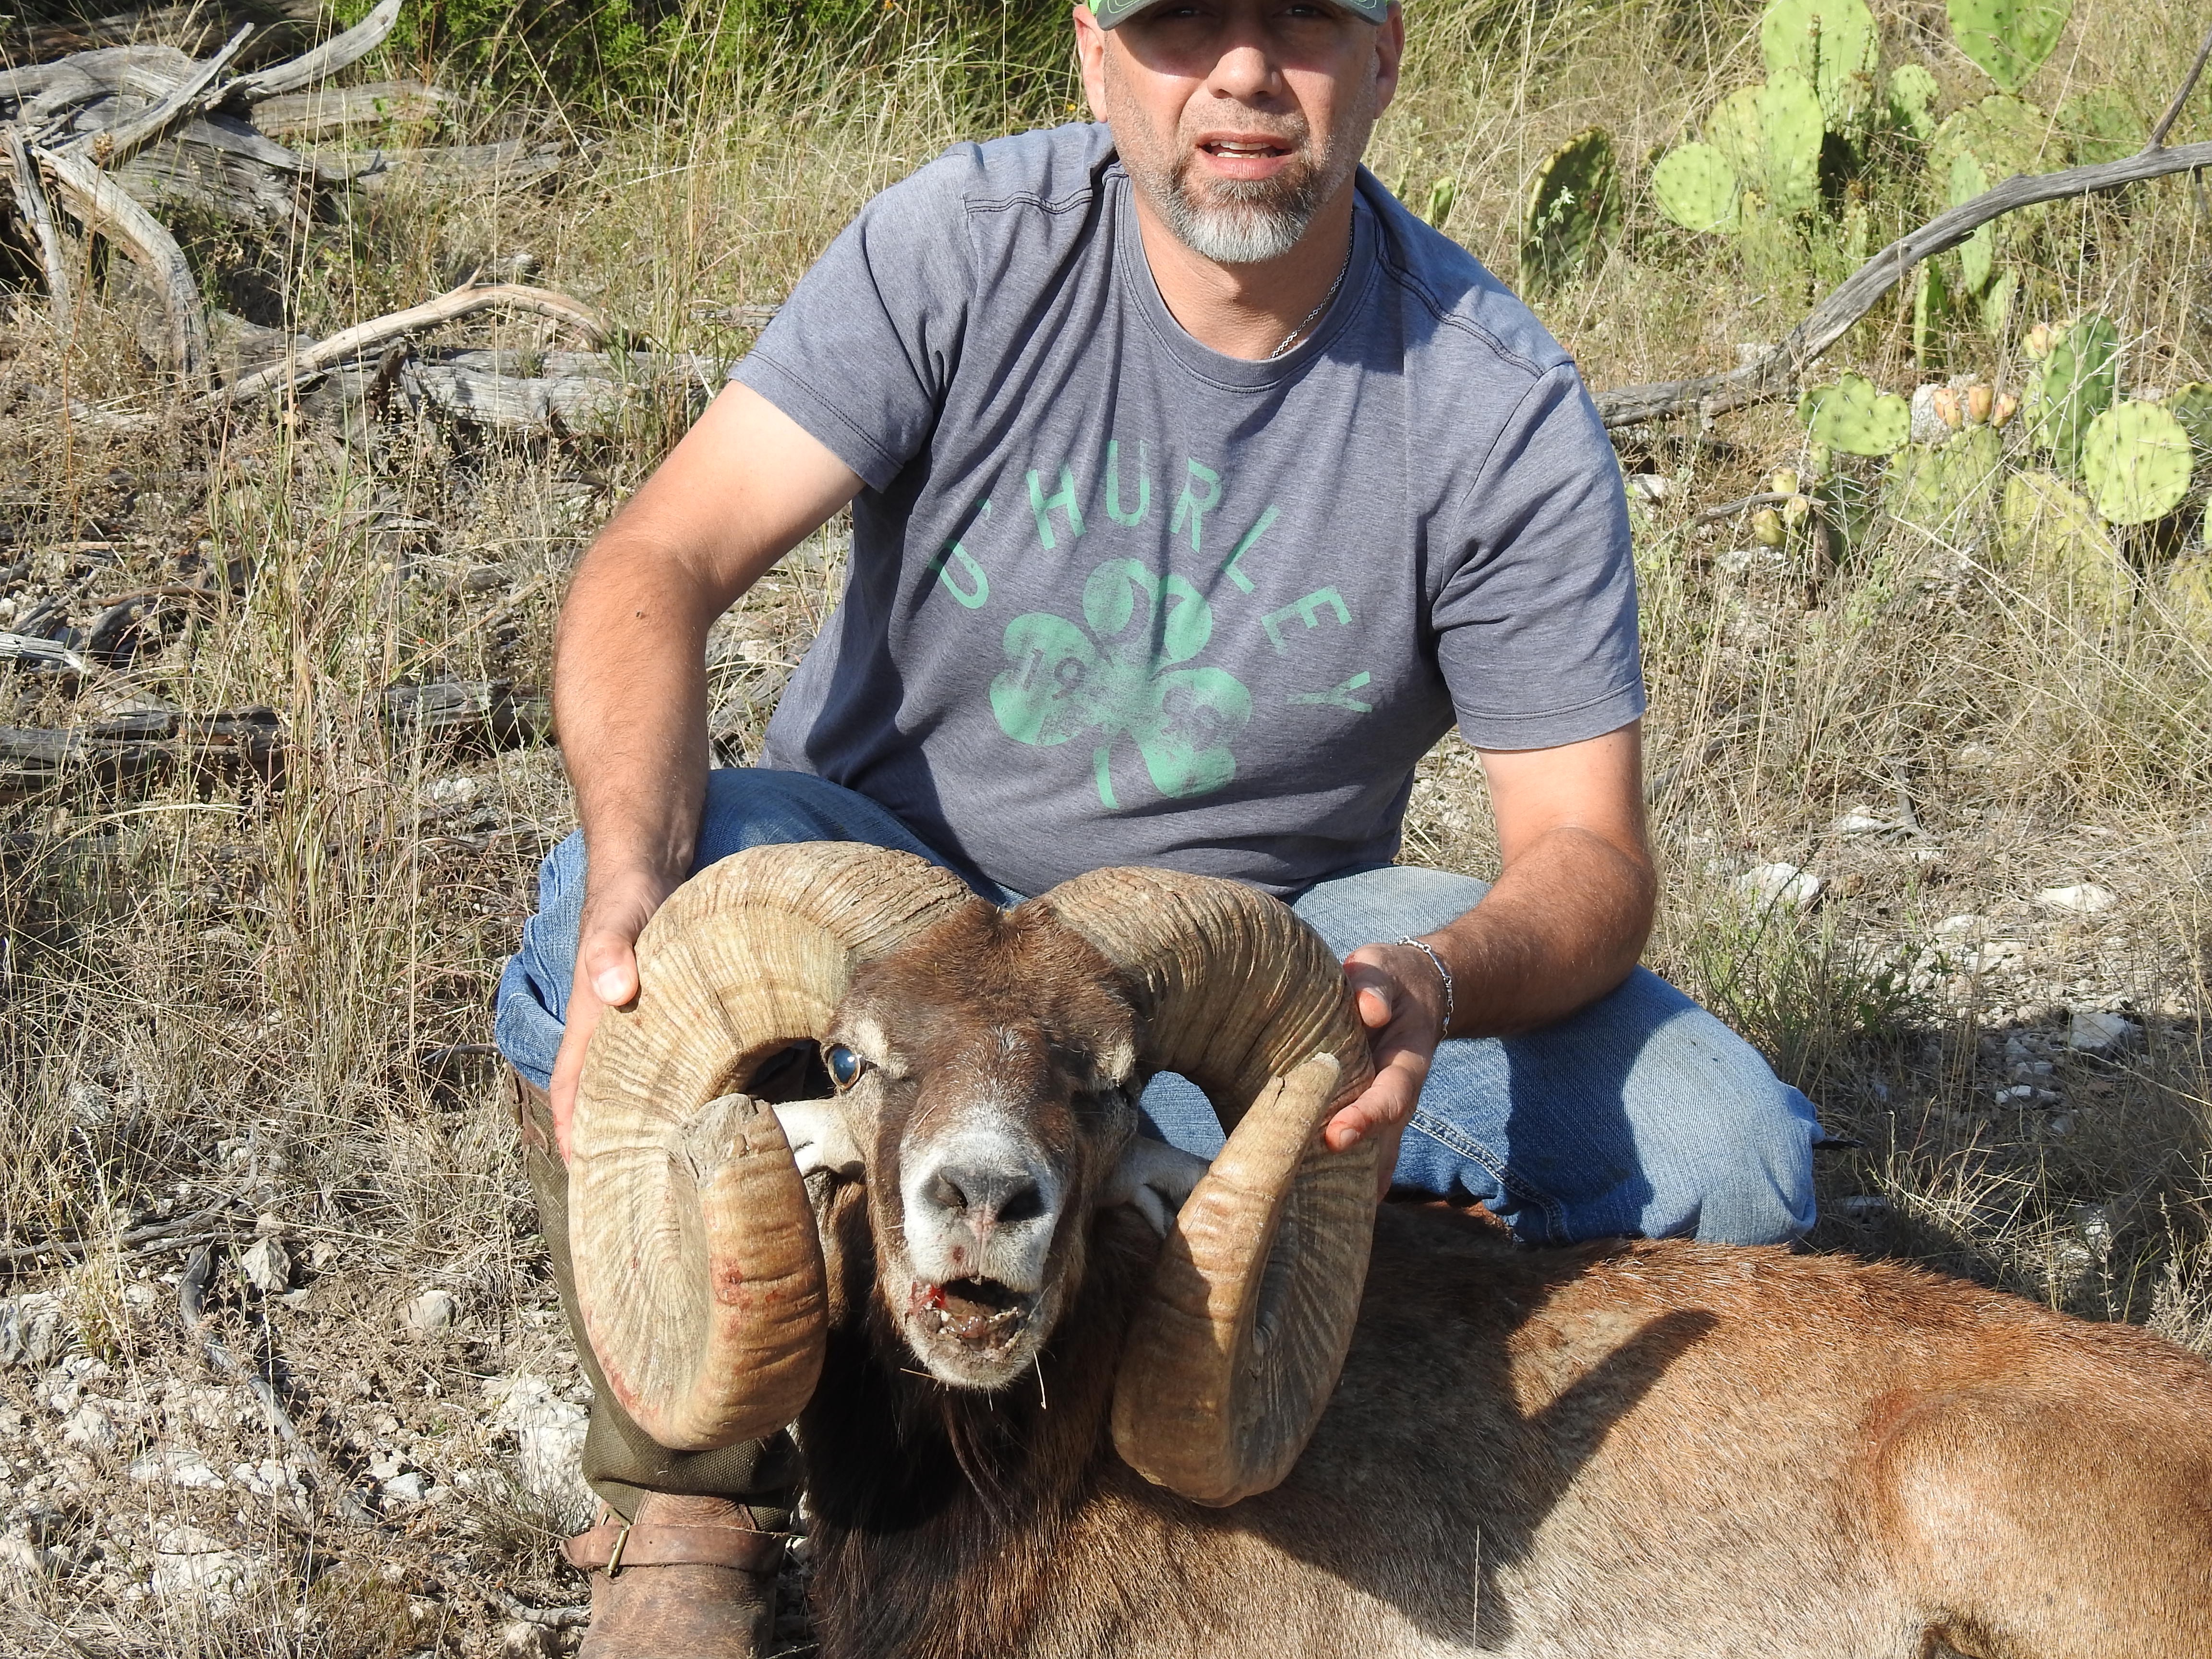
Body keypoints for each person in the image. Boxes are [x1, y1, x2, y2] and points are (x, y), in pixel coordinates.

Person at [491, 1, 1822, 1651]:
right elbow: (655, 568)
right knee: (595, 934)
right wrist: (638, 872)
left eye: (1304, 24)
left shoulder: (1488, 395)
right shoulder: (966, 250)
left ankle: (1258, 1396)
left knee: (1727, 1155)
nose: (1246, 73)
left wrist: (1435, 978)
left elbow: (1590, 859)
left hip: (1225, 964)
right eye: (1184, 22)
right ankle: (692, 1495)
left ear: (1386, 57)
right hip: (906, 913)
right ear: (1095, 57)